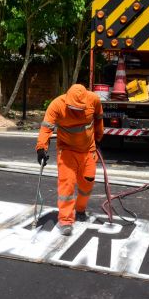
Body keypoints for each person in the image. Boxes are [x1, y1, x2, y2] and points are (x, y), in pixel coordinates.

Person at [35, 84, 104, 236]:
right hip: (67, 150)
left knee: (87, 184)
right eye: (74, 109)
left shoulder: (94, 100)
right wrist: (41, 148)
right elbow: (46, 128)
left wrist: (99, 138)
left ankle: (80, 210)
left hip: (88, 151)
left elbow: (99, 119)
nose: (77, 112)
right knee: (66, 185)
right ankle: (65, 220)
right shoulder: (57, 105)